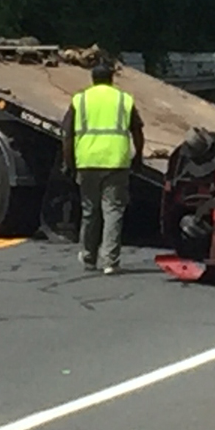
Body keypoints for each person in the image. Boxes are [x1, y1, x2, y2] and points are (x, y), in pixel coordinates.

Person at [61, 61, 145, 275]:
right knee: (113, 211)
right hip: (116, 162)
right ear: (111, 79)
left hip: (87, 161)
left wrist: (69, 163)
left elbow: (67, 136)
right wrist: (138, 156)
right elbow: (137, 131)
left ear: (93, 79)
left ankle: (88, 257)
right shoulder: (123, 99)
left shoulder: (80, 100)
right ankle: (110, 261)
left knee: (90, 211)